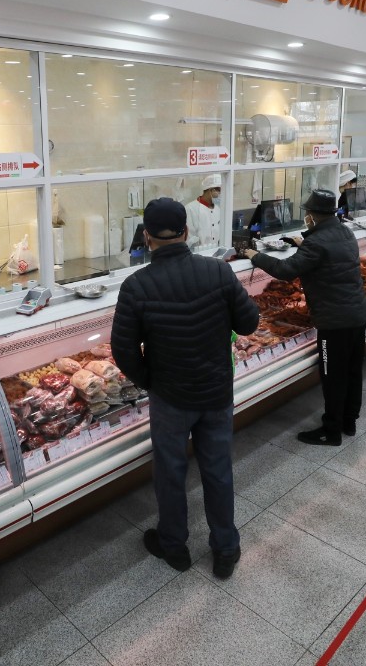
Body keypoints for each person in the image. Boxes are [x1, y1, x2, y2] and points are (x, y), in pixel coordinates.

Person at [111, 198, 260, 579]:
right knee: (218, 469)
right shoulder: (218, 271)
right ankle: (225, 547)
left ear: (146, 237)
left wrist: (151, 381)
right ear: (187, 232)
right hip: (215, 392)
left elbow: (123, 351)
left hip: (171, 398)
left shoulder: (136, 286)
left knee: (170, 473)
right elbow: (248, 324)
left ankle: (173, 545)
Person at [242, 189, 366, 445]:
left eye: (308, 213)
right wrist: (302, 245)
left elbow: (285, 270)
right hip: (357, 314)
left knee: (332, 376)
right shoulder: (344, 232)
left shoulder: (317, 242)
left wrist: (255, 255)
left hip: (334, 321)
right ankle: (349, 421)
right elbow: (327, 253)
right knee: (353, 371)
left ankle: (331, 431)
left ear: (312, 215)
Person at [185, 173, 225, 250]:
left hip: (217, 251)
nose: (220, 195)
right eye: (219, 191)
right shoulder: (190, 209)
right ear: (211, 190)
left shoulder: (219, 208)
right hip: (198, 253)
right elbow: (189, 239)